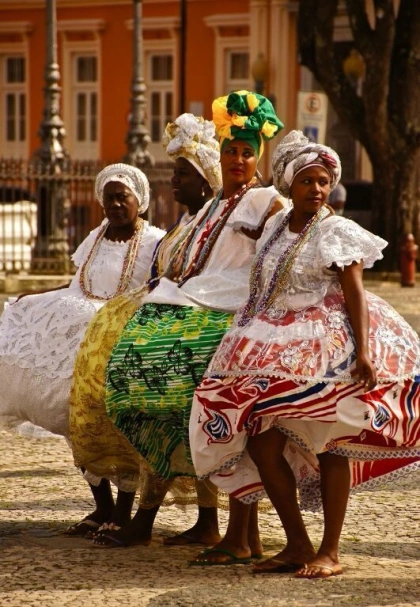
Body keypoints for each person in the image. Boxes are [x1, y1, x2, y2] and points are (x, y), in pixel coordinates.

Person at [189, 129, 420, 574]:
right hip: (271, 346)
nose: (317, 189)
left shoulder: (336, 231)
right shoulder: (276, 227)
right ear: (289, 185)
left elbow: (354, 293)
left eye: (323, 182)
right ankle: (296, 543)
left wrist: (364, 353)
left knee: (332, 444)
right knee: (262, 442)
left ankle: (329, 551)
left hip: (327, 349)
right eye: (307, 181)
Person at [68, 91, 285, 549]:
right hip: (193, 305)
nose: (239, 160)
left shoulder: (267, 201)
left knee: (176, 405)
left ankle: (161, 521)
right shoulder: (214, 205)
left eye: (247, 152)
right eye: (231, 151)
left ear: (257, 157)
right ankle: (194, 521)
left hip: (226, 317)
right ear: (221, 157)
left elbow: (284, 247)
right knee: (161, 405)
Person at [67, 113, 223, 537]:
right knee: (165, 422)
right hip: (170, 328)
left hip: (191, 332)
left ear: (206, 181)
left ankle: (150, 519)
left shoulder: (210, 224)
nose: (173, 181)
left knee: (162, 418)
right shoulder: (186, 224)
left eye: (182, 174)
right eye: (175, 173)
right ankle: (188, 520)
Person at [0, 164, 164, 447]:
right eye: (109, 198)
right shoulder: (96, 235)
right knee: (21, 310)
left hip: (118, 316)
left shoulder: (155, 241)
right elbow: (78, 281)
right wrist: (36, 295)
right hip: (80, 305)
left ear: (139, 200)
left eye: (122, 197)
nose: (115, 204)